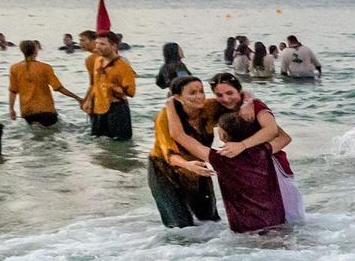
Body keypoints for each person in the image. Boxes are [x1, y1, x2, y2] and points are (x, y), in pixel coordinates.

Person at [211, 72, 304, 227]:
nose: (225, 99)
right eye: (219, 95)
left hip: (268, 164)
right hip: (244, 169)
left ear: (238, 90)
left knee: (284, 219)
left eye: (230, 93)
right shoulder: (218, 107)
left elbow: (273, 131)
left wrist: (243, 146)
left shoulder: (255, 107)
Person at [148, 75, 221, 228]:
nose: (199, 96)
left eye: (201, 91)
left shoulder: (209, 108)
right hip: (165, 172)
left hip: (197, 168)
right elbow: (169, 154)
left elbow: (235, 101)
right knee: (180, 227)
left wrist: (247, 100)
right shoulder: (164, 118)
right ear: (178, 97)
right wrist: (187, 165)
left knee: (210, 220)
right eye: (192, 93)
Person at [6, 40, 77, 128]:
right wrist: (77, 98)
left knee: (35, 137)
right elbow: (58, 88)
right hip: (46, 110)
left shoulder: (14, 68)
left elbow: (13, 91)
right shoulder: (45, 67)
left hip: (27, 112)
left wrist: (11, 109)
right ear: (36, 51)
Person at [82, 33, 137, 140]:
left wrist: (112, 87)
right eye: (97, 43)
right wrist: (88, 101)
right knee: (98, 143)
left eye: (102, 44)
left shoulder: (123, 66)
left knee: (120, 145)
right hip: (99, 108)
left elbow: (131, 92)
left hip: (117, 110)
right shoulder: (98, 61)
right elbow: (95, 84)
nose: (98, 47)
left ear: (114, 46)